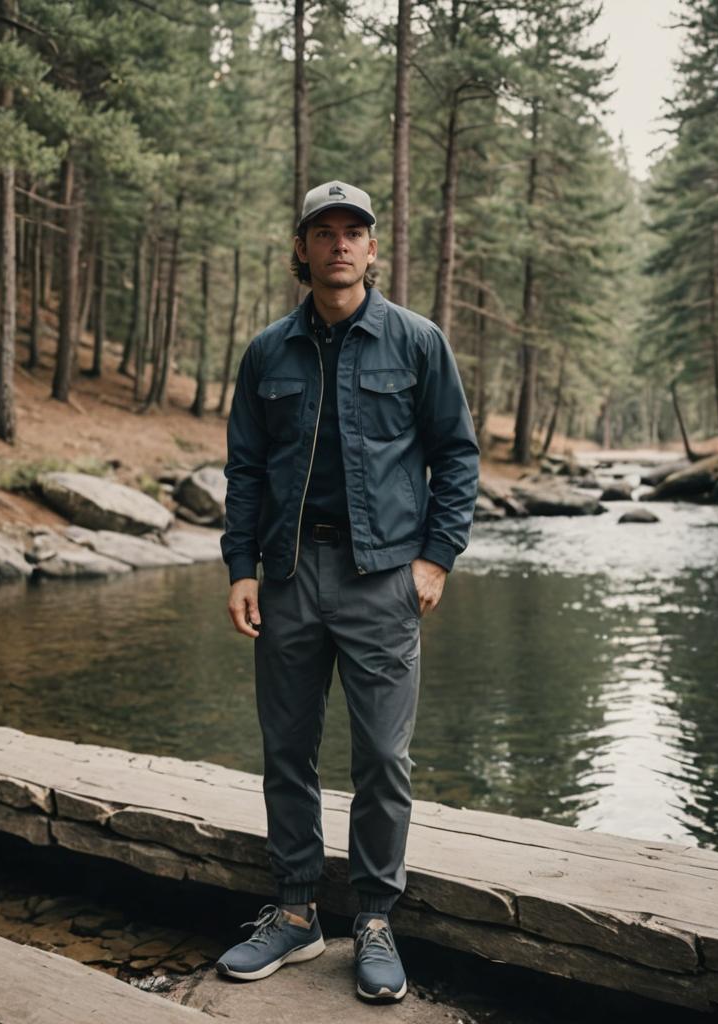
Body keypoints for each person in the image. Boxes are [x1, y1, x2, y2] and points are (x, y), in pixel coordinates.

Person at [216, 180, 479, 1002]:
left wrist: (435, 558)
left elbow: (457, 456)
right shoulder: (268, 353)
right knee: (286, 753)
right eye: (322, 232)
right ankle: (295, 916)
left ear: (372, 248)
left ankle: (373, 919)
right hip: (288, 578)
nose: (337, 244)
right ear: (301, 248)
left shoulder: (417, 342)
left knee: (383, 758)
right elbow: (246, 470)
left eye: (352, 232)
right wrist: (241, 569)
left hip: (382, 579)